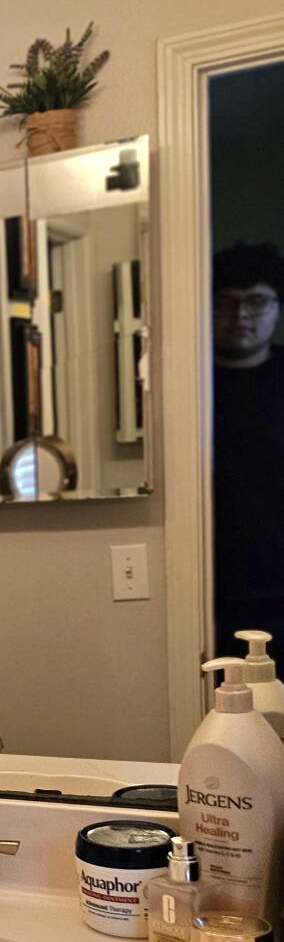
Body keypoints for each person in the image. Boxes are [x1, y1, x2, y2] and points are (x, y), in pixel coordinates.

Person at [211, 242, 284, 655]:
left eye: (256, 302)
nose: (240, 316)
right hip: (210, 585)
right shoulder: (186, 381)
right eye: (226, 303)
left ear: (276, 307)